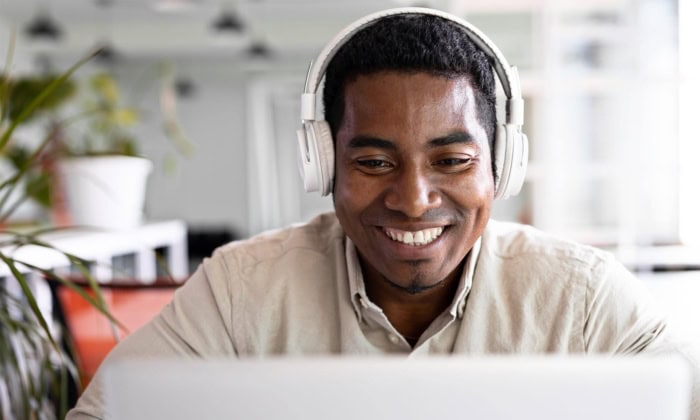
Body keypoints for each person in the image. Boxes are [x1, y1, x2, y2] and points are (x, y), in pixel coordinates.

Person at [67, 7, 699, 419]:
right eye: (373, 163)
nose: (414, 198)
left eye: (451, 160)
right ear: (324, 167)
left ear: (500, 165)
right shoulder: (239, 290)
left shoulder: (584, 300)